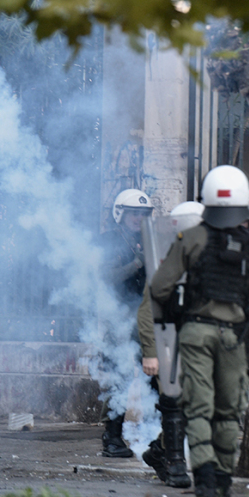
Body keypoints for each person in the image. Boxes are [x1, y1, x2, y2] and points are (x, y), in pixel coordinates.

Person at [150, 166, 249, 497]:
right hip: (235, 338)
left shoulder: (191, 238)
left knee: (198, 408)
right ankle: (222, 484)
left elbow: (159, 287)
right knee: (228, 411)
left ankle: (204, 481)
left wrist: (170, 317)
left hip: (195, 334)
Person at [137, 200, 204, 489]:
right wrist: (151, 353)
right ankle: (176, 464)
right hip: (168, 344)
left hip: (199, 344)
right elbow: (147, 311)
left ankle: (158, 451)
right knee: (174, 402)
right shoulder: (164, 261)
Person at [99, 188, 154, 458]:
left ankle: (158, 436)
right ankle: (112, 436)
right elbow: (106, 277)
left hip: (145, 315)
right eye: (133, 213)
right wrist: (136, 264)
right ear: (120, 213)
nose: (138, 218)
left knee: (154, 373)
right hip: (118, 315)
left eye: (143, 213)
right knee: (118, 376)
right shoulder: (110, 241)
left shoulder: (150, 239)